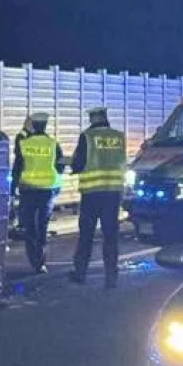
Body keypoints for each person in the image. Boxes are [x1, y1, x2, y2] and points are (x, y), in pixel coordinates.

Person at [69, 107, 127, 288]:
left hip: (92, 193)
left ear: (94, 118)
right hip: (113, 192)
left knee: (86, 235)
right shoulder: (119, 136)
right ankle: (111, 276)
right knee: (110, 235)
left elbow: (79, 163)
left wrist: (71, 165)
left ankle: (80, 273)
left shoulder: (87, 136)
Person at [11, 112, 65, 274]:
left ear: (33, 125)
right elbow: (60, 166)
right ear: (45, 125)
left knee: (30, 226)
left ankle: (34, 259)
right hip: (47, 190)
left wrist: (12, 189)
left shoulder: (24, 143)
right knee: (42, 225)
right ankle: (41, 262)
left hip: (28, 189)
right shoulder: (53, 144)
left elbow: (17, 167)